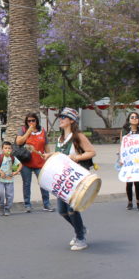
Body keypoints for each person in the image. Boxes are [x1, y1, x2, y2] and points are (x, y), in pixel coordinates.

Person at [44, 107, 95, 251]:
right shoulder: (60, 139)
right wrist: (50, 155)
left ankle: (80, 238)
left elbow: (91, 152)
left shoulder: (78, 136)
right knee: (62, 211)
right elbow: (61, 156)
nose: (60, 119)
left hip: (75, 179)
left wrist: (76, 157)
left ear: (71, 120)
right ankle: (81, 229)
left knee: (72, 209)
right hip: (63, 179)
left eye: (63, 117)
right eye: (60, 117)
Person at [15, 112, 52, 212]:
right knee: (26, 183)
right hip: (26, 162)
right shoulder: (23, 130)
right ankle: (27, 204)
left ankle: (46, 204)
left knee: (43, 183)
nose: (31, 122)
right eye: (29, 121)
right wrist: (28, 131)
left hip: (39, 162)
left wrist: (49, 157)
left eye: (33, 120)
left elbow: (46, 146)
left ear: (37, 121)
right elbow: (19, 142)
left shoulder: (42, 131)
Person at [120, 112, 139, 211]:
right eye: (132, 117)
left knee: (137, 181)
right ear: (129, 119)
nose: (134, 119)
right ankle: (130, 202)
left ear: (138, 120)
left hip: (138, 159)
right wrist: (121, 158)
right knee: (129, 181)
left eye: (136, 117)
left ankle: (138, 201)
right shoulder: (124, 131)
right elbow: (122, 145)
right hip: (128, 159)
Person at [0, 141, 21, 216]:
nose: (7, 150)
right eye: (5, 148)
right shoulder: (0, 157)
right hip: (0, 180)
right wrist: (1, 172)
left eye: (9, 148)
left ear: (11, 150)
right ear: (2, 149)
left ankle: (7, 208)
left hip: (10, 180)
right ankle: (1, 206)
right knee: (1, 193)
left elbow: (20, 164)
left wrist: (16, 171)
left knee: (10, 195)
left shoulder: (13, 158)